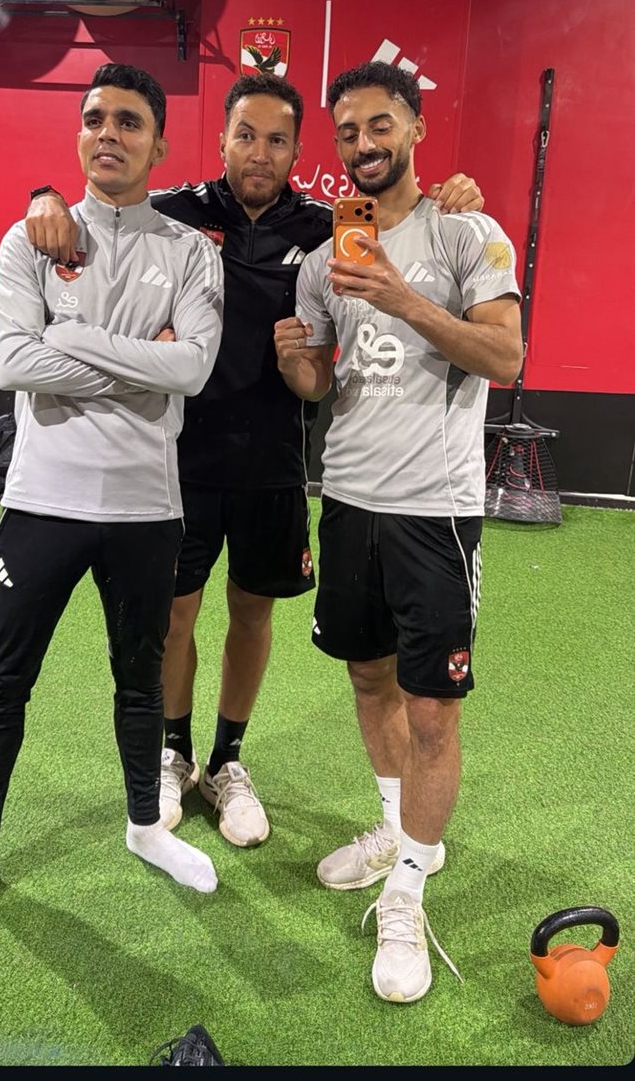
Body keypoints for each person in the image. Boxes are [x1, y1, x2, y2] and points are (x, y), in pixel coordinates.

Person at [25, 72, 483, 850]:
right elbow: (98, 207)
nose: (259, 153)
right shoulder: (175, 211)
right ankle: (174, 752)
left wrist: (455, 196)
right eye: (246, 135)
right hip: (178, 459)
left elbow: (409, 222)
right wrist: (44, 196)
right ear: (222, 139)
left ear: (299, 151)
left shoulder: (336, 227)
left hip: (275, 463)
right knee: (175, 614)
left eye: (276, 140)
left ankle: (227, 760)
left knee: (252, 612)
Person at [0, 64, 224, 952]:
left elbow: (193, 369)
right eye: (95, 118)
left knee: (140, 685)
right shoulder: (32, 239)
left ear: (159, 143)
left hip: (147, 509)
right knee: (4, 685)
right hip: (42, 503)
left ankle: (144, 828)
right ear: (79, 134)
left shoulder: (190, 251)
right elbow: (12, 363)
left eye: (128, 121)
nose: (108, 133)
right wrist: (140, 362)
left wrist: (76, 339)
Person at [274, 60, 522, 1003]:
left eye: (380, 125)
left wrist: (401, 297)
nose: (364, 144)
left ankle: (410, 894)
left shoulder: (468, 232)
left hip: (435, 511)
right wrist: (297, 363)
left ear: (414, 127)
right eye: (348, 131)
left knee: (431, 711)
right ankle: (398, 832)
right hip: (348, 502)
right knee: (368, 678)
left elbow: (505, 355)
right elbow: (323, 384)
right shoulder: (323, 258)